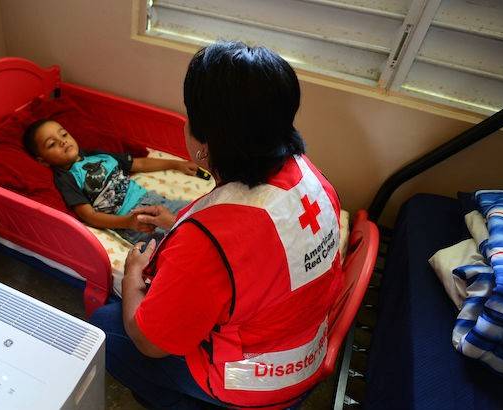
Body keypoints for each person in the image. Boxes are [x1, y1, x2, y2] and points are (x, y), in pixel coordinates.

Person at [90, 41, 343, 409]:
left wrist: (132, 276)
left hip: (251, 380)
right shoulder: (307, 175)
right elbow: (260, 250)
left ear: (204, 142)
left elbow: (151, 342)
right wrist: (182, 225)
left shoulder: (207, 241)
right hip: (306, 351)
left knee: (106, 328)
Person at [23, 119, 196, 244]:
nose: (62, 141)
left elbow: (139, 163)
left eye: (64, 134)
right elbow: (89, 216)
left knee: (202, 214)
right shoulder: (66, 178)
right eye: (52, 143)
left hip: (157, 202)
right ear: (43, 161)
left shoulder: (97, 155)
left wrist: (177, 164)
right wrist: (128, 222)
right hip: (133, 220)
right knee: (178, 245)